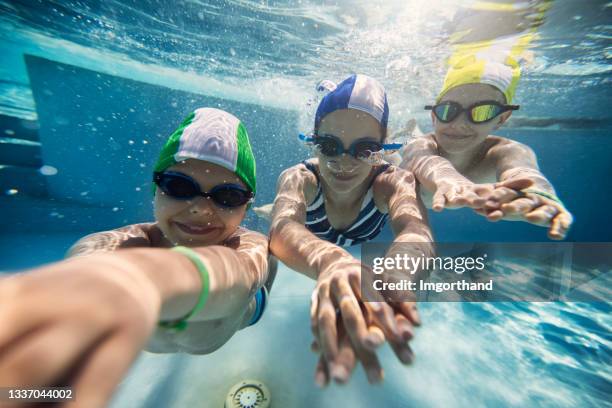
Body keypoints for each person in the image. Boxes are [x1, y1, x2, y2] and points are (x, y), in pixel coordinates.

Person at [0, 108, 274, 407]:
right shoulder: (115, 245)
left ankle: (269, 213)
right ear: (155, 190)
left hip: (247, 311)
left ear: (244, 208)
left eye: (228, 196)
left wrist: (145, 281)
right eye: (179, 186)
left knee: (274, 251)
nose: (200, 209)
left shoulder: (249, 246)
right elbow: (90, 265)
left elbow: (240, 275)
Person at [265, 74, 434, 386]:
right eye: (329, 146)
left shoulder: (392, 182)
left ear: (380, 148)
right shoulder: (300, 178)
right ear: (313, 141)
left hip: (359, 224)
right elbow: (283, 228)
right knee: (272, 215)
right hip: (325, 233)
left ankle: (401, 134)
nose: (343, 162)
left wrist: (396, 277)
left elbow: (415, 229)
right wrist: (333, 261)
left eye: (365, 149)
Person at [401, 56, 573, 240]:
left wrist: (536, 190)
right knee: (405, 140)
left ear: (501, 118)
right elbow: (425, 161)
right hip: (402, 153)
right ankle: (405, 129)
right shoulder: (422, 146)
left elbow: (523, 171)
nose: (459, 124)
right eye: (447, 110)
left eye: (482, 112)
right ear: (434, 115)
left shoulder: (507, 151)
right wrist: (449, 179)